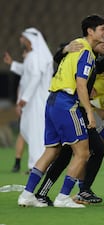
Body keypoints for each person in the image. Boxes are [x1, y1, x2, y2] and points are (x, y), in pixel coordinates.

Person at [17, 14, 104, 208]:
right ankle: (63, 197)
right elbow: (81, 85)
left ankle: (27, 195)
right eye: (102, 29)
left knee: (52, 150)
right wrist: (90, 114)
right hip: (67, 102)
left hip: (52, 101)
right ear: (90, 31)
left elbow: (58, 60)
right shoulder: (86, 53)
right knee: (83, 153)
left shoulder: (74, 46)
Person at [33, 33, 104, 206]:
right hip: (72, 108)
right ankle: (75, 191)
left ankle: (74, 190)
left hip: (75, 107)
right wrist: (64, 49)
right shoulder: (83, 51)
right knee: (73, 151)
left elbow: (99, 67)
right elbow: (61, 59)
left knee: (84, 150)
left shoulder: (94, 60)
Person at [3, 28, 53, 173]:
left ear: (30, 39)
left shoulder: (35, 56)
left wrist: (24, 98)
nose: (21, 40)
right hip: (33, 101)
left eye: (23, 38)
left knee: (36, 132)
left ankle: (36, 166)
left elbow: (35, 77)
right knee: (29, 131)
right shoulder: (34, 56)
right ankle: (38, 164)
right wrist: (12, 63)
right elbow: (26, 72)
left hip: (36, 101)